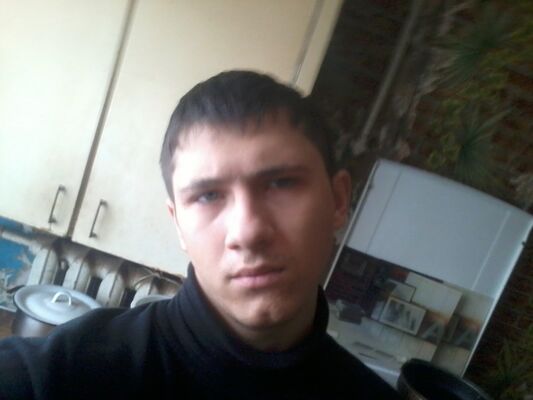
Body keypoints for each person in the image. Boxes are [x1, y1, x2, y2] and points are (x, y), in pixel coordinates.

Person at [0, 71, 401, 399]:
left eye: (282, 183)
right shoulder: (68, 373)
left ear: (338, 200)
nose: (247, 232)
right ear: (178, 224)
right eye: (208, 196)